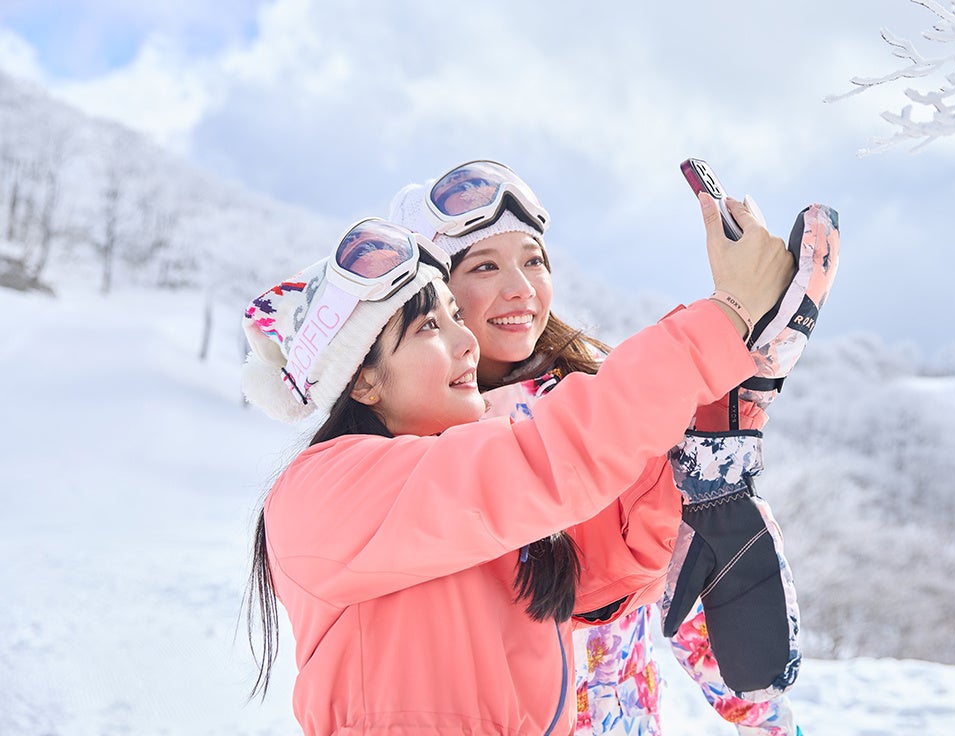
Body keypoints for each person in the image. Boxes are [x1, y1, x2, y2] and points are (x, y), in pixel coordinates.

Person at [240, 198, 794, 735]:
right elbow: (552, 460)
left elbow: (606, 556)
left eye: (455, 316)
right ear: (361, 379)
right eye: (429, 328)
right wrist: (727, 314)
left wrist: (710, 435)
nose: (465, 343)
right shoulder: (327, 489)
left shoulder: (463, 491)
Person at [389, 161, 839, 735]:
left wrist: (764, 714)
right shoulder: (418, 450)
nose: (521, 288)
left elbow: (696, 578)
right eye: (483, 266)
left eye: (533, 261)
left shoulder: (600, 400)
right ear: (435, 297)